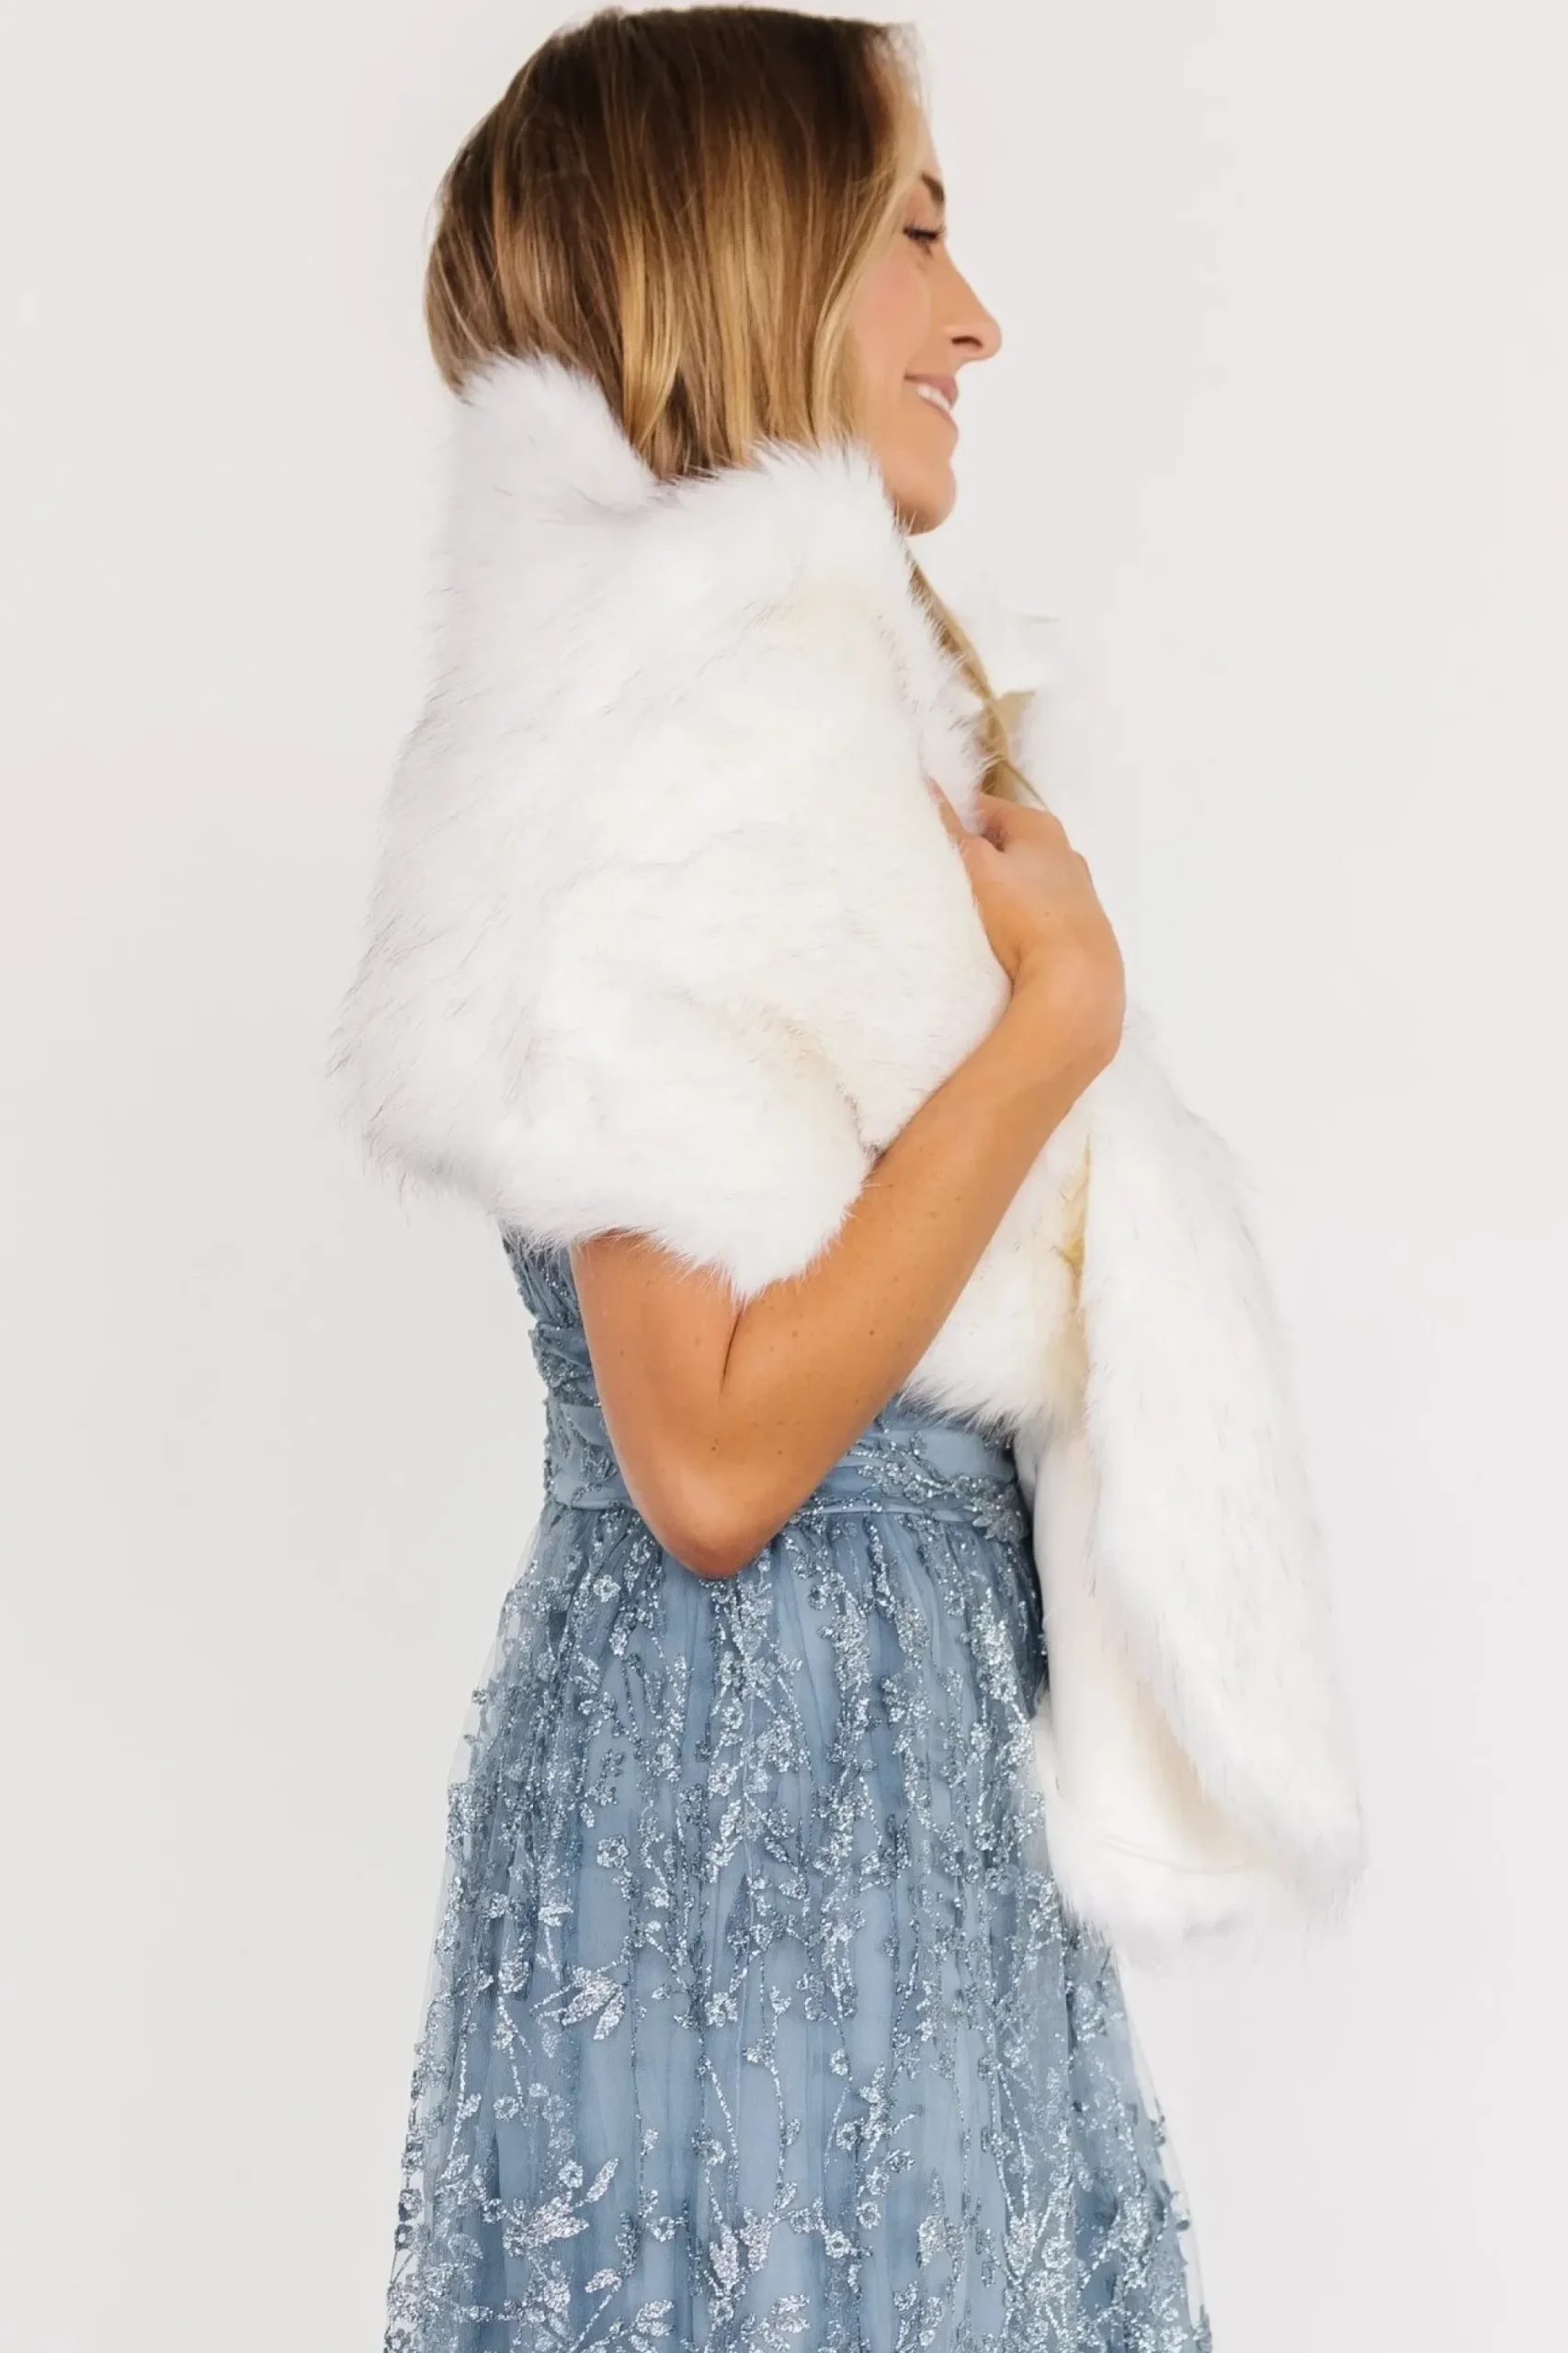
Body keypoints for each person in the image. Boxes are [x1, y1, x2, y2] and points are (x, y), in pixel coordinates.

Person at [329, 8, 1308, 2347]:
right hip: (737, 1813)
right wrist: (1050, 1031)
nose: (974, 321)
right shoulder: (635, 741)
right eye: (916, 236)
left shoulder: (846, 736)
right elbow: (708, 1457)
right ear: (758, 264)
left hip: (914, 1802)